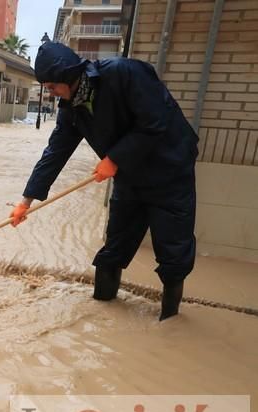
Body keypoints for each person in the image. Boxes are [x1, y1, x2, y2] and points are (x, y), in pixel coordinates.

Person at [10, 42, 198, 322]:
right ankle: (101, 312)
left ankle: (170, 324)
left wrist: (115, 157)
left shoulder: (125, 74)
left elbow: (155, 121)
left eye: (51, 86)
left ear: (68, 76)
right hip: (129, 179)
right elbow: (55, 152)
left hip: (169, 173)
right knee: (114, 248)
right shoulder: (71, 108)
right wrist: (26, 201)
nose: (50, 93)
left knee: (173, 253)